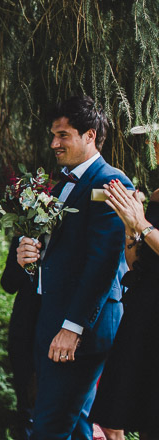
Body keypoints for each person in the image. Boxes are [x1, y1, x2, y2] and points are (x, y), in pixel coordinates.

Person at [15, 96, 132, 440]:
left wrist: (73, 327)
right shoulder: (62, 183)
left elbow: (103, 263)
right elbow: (61, 253)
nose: (54, 143)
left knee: (49, 427)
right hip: (51, 316)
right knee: (77, 426)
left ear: (90, 136)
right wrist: (31, 254)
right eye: (53, 135)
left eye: (63, 135)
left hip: (80, 328)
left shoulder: (109, 183)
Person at [90, 181, 159, 440]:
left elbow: (148, 229)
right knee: (135, 417)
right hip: (145, 311)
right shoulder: (156, 196)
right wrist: (130, 227)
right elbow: (136, 264)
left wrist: (142, 223)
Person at [0, 233, 41, 440]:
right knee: (26, 407)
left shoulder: (73, 229)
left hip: (62, 330)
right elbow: (8, 284)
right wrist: (21, 262)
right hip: (25, 332)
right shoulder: (25, 233)